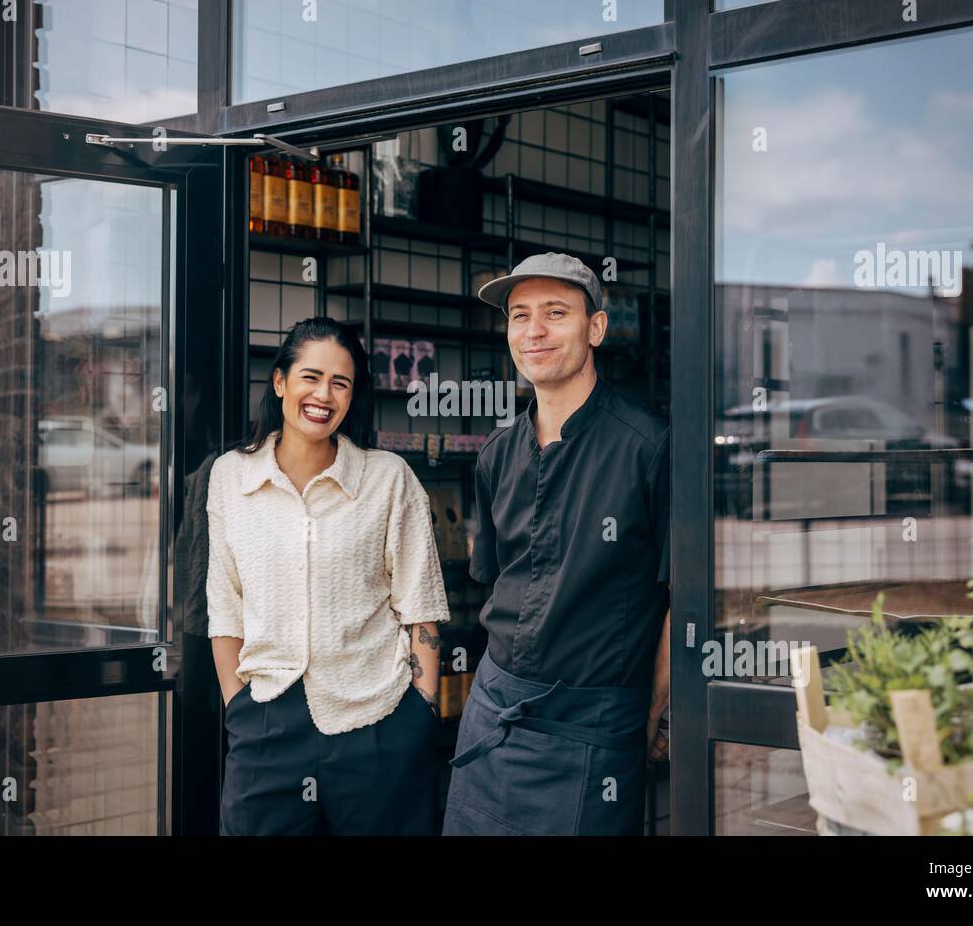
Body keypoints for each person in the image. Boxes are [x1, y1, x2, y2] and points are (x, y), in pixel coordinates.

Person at [441, 253, 671, 836]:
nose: (534, 331)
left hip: (591, 726)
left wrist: (650, 714)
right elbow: (499, 578)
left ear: (595, 328)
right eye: (519, 316)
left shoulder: (648, 446)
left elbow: (679, 600)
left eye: (555, 313)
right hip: (493, 711)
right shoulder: (496, 454)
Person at [207, 316, 450, 835]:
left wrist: (420, 710)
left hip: (377, 722)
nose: (324, 395)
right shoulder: (231, 476)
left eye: (340, 383)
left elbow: (421, 602)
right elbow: (223, 602)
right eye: (310, 377)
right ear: (280, 383)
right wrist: (239, 706)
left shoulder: (387, 478)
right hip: (267, 723)